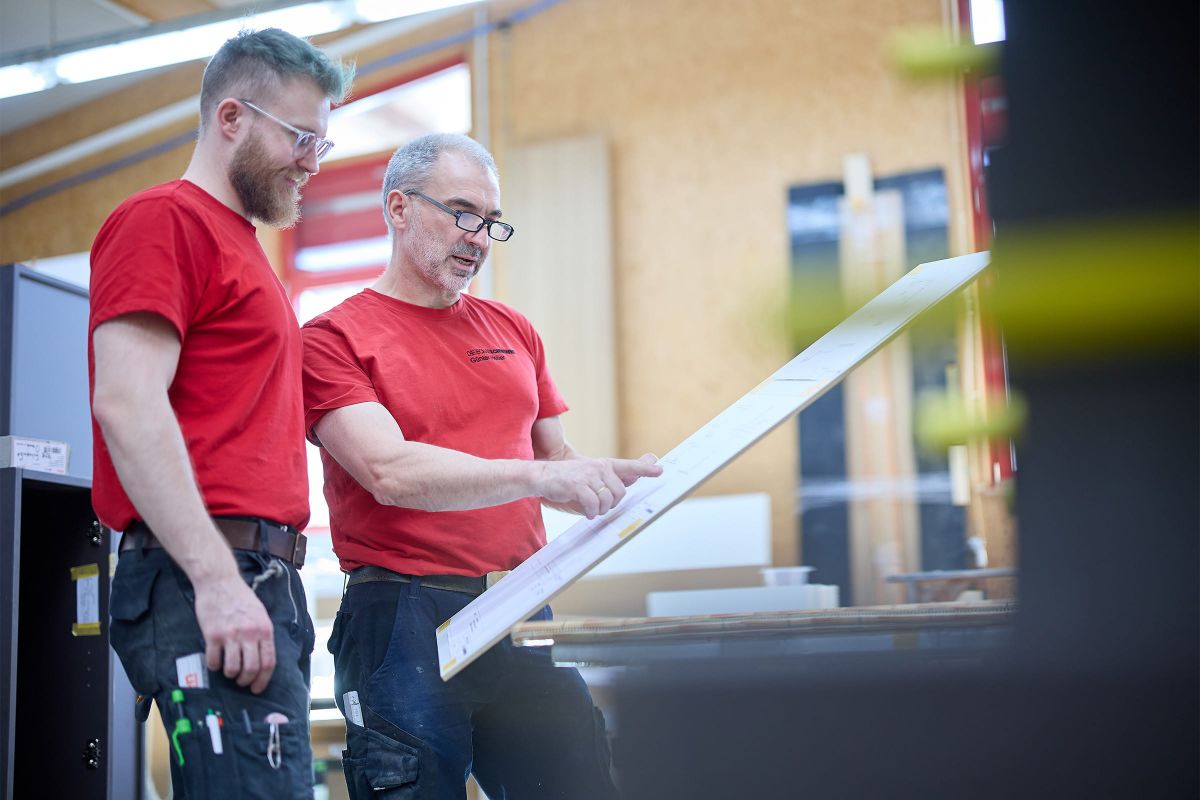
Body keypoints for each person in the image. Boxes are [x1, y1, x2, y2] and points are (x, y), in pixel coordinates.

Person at [301, 133, 663, 799]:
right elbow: (388, 470)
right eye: (463, 213)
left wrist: (610, 483)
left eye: (492, 222)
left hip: (521, 604)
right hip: (402, 616)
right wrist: (538, 476)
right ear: (400, 208)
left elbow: (555, 461)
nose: (479, 237)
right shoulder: (332, 339)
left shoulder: (513, 330)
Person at [89, 28, 353, 797]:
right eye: (301, 137)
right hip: (204, 572)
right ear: (231, 118)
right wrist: (215, 581)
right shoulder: (164, 222)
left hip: (259, 575)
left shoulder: (244, 250)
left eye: (323, 144)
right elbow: (127, 404)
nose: (312, 160)